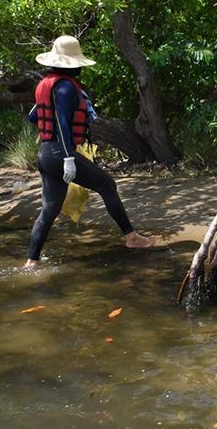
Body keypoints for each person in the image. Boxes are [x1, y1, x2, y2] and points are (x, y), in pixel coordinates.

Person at [23, 35, 155, 268]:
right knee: (107, 185)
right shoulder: (64, 88)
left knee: (49, 209)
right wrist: (67, 158)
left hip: (45, 154)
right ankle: (132, 238)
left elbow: (34, 116)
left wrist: (52, 137)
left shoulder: (46, 85)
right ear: (73, 65)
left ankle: (31, 262)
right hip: (59, 154)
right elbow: (63, 124)